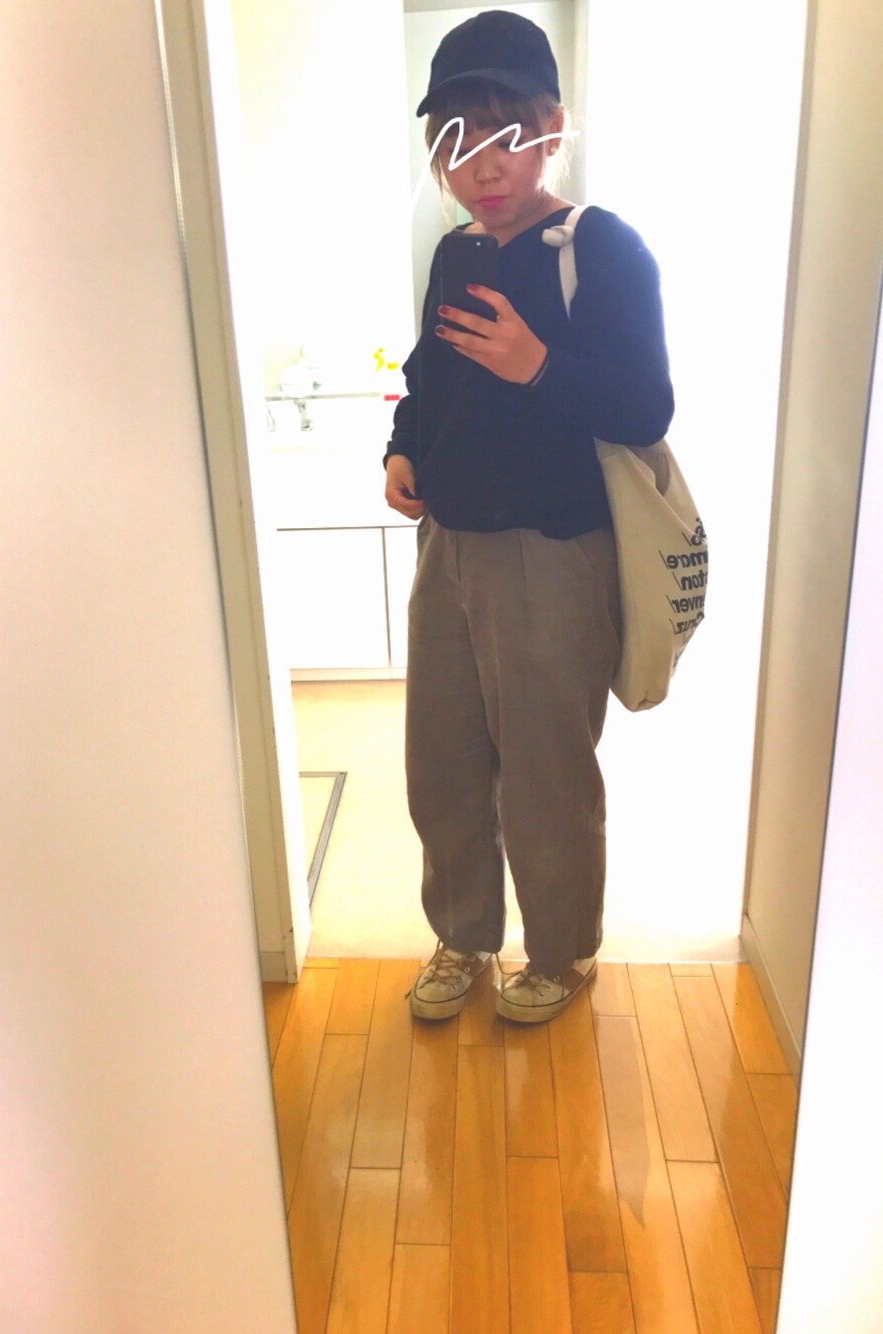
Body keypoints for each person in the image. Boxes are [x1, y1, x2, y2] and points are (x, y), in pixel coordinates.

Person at [384, 11, 674, 1024]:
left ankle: (558, 953)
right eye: (456, 140)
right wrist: (403, 448)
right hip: (449, 546)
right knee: (442, 763)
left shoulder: (601, 248)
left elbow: (645, 407)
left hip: (555, 554)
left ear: (552, 127)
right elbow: (426, 376)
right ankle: (463, 936)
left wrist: (539, 364)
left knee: (546, 772)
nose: (482, 165)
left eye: (505, 134)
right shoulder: (454, 253)